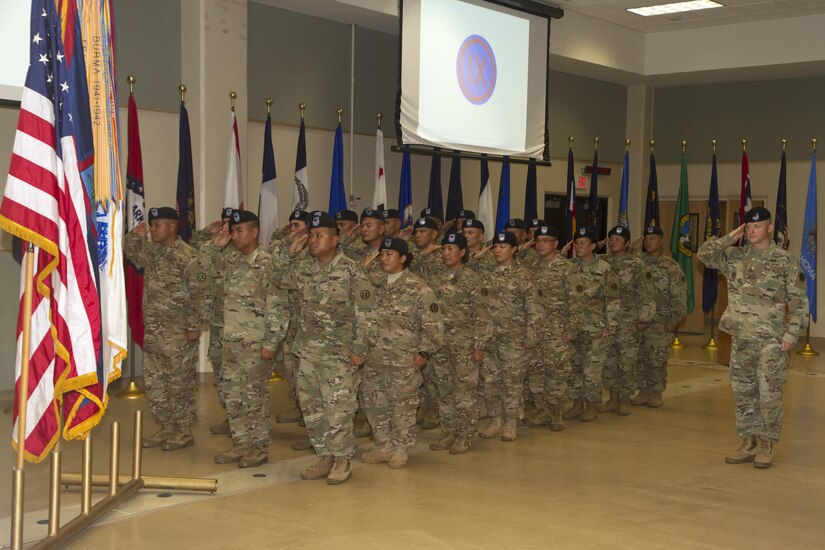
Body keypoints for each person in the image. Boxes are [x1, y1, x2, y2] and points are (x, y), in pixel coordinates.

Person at [697, 207, 808, 468]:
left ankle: (767, 445)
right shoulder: (735, 256)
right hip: (742, 338)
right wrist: (729, 236)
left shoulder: (785, 261)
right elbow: (704, 255)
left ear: (769, 228)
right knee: (743, 392)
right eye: (748, 226)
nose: (751, 230)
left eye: (757, 226)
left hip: (772, 339)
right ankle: (748, 442)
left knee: (768, 395)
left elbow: (800, 302)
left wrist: (791, 335)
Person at [271, 211, 375, 484]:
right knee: (313, 408)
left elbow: (366, 314)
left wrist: (359, 350)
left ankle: (342, 459)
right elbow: (275, 276)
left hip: (338, 355)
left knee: (338, 409)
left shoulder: (351, 270)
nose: (313, 240)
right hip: (307, 352)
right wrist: (289, 252)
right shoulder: (304, 267)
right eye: (311, 236)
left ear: (336, 239)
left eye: (319, 235)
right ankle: (325, 455)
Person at [205, 211, 287, 468]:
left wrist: (271, 343)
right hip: (229, 341)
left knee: (254, 398)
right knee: (233, 396)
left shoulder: (267, 263)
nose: (234, 236)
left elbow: (278, 307)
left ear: (254, 232)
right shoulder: (230, 260)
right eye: (233, 231)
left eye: (239, 231)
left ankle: (258, 447)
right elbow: (198, 272)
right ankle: (240, 443)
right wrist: (212, 247)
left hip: (255, 344)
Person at [124, 207, 209, 451]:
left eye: (157, 225)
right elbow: (132, 254)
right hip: (153, 330)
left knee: (178, 382)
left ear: (172, 226)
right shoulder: (153, 252)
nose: (152, 230)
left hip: (177, 332)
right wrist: (134, 235)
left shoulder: (188, 256)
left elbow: (201, 295)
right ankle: (166, 426)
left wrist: (194, 327)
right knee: (155, 381)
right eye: (152, 225)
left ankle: (182, 430)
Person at [361, 237, 444, 468]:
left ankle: (400, 448)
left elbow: (434, 325)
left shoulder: (418, 288)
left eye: (389, 254)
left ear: (403, 258)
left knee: (402, 406)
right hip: (374, 357)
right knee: (375, 403)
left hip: (404, 359)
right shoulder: (374, 282)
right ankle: (384, 444)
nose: (384, 258)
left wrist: (424, 353)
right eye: (382, 254)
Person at [429, 232, 491, 454]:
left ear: (463, 252)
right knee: (444, 390)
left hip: (465, 346)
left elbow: (482, 315)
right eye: (443, 249)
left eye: (451, 249)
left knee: (464, 392)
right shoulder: (435, 277)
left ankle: (464, 435)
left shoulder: (473, 280)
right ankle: (449, 431)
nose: (445, 253)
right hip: (440, 345)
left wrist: (479, 345)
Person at [479, 232, 542, 441]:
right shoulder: (487, 275)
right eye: (495, 246)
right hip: (490, 339)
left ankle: (511, 423)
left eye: (503, 246)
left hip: (514, 340)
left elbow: (535, 310)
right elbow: (480, 307)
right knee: (491, 382)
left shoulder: (525, 277)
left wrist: (531, 338)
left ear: (514, 249)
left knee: (512, 382)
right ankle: (496, 420)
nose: (498, 250)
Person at [598, 226, 655, 416]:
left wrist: (644, 319)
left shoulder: (636, 265)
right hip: (605, 321)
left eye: (618, 239)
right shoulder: (601, 263)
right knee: (608, 361)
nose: (614, 241)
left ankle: (624, 399)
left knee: (626, 361)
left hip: (628, 321)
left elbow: (646, 293)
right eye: (611, 238)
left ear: (627, 244)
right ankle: (613, 397)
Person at [565, 227, 620, 423]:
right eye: (576, 242)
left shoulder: (604, 269)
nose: (578, 246)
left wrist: (610, 326)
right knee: (575, 368)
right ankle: (576, 403)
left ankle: (591, 404)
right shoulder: (569, 267)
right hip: (573, 328)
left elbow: (613, 300)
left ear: (593, 246)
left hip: (595, 327)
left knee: (592, 370)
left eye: (583, 243)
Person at [525, 225, 576, 431]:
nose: (541, 244)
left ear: (556, 244)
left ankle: (556, 413)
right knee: (535, 372)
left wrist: (571, 329)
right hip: (534, 330)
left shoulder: (567, 268)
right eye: (538, 240)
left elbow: (576, 302)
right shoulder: (530, 266)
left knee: (556, 372)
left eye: (546, 240)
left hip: (556, 330)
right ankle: (542, 409)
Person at [631, 226, 687, 409]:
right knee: (640, 358)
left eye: (653, 238)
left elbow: (679, 295)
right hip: (639, 321)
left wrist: (674, 319)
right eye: (646, 238)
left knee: (657, 358)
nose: (648, 241)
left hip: (661, 321)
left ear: (661, 240)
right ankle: (643, 390)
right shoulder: (637, 263)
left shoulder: (670, 266)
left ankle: (656, 392)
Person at [190, 206, 234, 435]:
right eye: (224, 223)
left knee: (239, 378)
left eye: (232, 225)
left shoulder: (241, 253)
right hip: (217, 324)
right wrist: (207, 232)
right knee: (220, 373)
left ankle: (243, 423)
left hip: (239, 328)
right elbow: (194, 251)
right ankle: (231, 417)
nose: (227, 229)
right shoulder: (214, 249)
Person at [409, 216, 445, 430]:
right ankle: (420, 408)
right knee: (418, 371)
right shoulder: (410, 256)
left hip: (435, 321)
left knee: (436, 372)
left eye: (423, 232)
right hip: (414, 321)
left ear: (434, 234)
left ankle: (435, 410)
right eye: (416, 232)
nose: (418, 235)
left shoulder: (443, 256)